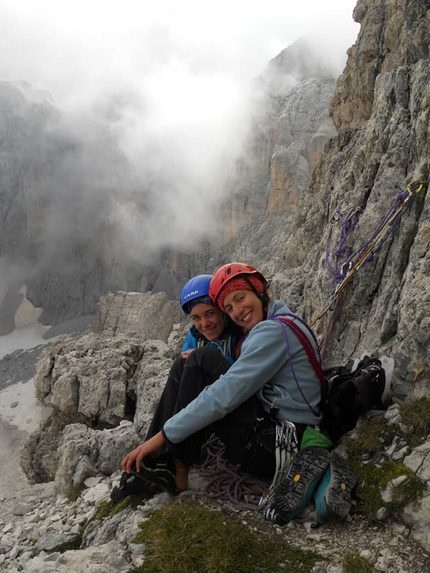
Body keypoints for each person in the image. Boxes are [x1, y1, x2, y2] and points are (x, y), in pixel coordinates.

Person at [120, 263, 343, 522]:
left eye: (240, 298)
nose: (238, 311)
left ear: (260, 293)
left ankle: (173, 460)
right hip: (286, 432)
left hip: (274, 446)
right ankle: (163, 461)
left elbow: (224, 395)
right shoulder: (283, 322)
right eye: (229, 307)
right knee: (189, 362)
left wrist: (164, 435)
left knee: (202, 360)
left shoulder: (271, 333)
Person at [111, 273, 243, 500]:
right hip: (209, 411)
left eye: (210, 313)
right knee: (181, 364)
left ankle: (180, 463)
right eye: (196, 318)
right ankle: (152, 459)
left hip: (237, 407)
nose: (204, 323)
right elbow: (185, 385)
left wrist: (204, 357)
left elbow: (249, 375)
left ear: (222, 310)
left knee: (196, 358)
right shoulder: (195, 337)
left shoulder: (240, 334)